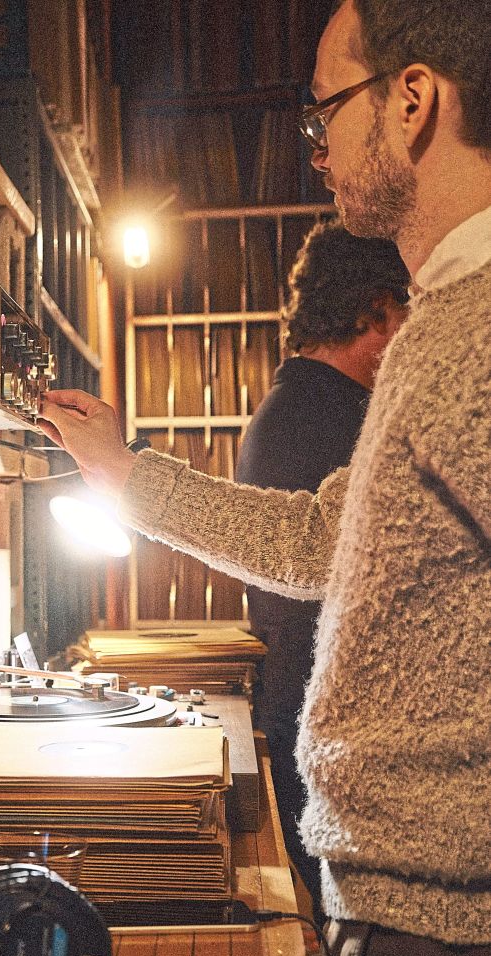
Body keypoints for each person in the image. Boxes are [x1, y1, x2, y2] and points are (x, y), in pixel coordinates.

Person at [38, 3, 491, 956]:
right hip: (404, 952)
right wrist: (125, 479)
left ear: (412, 102)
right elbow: (313, 542)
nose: (317, 150)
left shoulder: (480, 331)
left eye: (325, 112)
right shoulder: (441, 328)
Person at [235, 221, 409, 919]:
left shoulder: (299, 405)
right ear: (376, 311)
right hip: (332, 742)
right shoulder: (335, 419)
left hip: (305, 720)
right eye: (409, 313)